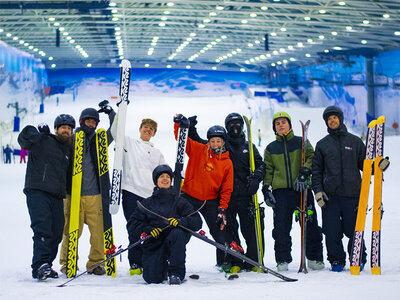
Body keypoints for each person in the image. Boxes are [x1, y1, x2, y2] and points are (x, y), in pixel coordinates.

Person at [188, 113, 266, 273]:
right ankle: (234, 260)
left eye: (238, 124)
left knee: (250, 229)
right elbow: (202, 144)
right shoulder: (222, 145)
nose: (235, 127)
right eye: (231, 124)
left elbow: (261, 165)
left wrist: (256, 179)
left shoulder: (248, 146)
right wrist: (191, 129)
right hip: (226, 197)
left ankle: (253, 261)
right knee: (229, 229)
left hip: (246, 195)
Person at [262, 111, 324, 272]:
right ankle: (282, 260)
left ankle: (314, 257)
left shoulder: (300, 142)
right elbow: (268, 170)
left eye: (283, 122)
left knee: (310, 224)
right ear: (274, 128)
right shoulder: (270, 148)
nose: (281, 125)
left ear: (289, 125)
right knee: (281, 227)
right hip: (281, 192)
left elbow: (312, 156)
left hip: (302, 188)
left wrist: (305, 172)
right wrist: (265, 188)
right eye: (277, 123)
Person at [18, 114, 75, 280]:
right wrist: (34, 132)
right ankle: (40, 265)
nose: (66, 131)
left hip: (57, 195)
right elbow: (24, 140)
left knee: (57, 232)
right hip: (38, 191)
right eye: (63, 127)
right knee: (42, 228)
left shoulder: (69, 150)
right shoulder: (43, 141)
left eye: (69, 128)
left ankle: (46, 265)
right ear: (56, 129)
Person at [59, 106, 115, 276]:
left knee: (98, 233)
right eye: (88, 120)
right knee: (71, 232)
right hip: (72, 194)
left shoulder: (100, 140)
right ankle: (68, 263)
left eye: (94, 121)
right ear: (81, 121)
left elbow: (115, 131)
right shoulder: (72, 139)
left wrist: (112, 113)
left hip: (95, 195)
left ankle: (96, 263)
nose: (91, 124)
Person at [174, 114, 234, 269]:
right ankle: (173, 260)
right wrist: (178, 124)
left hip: (210, 201)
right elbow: (181, 141)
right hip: (189, 197)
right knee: (182, 229)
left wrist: (222, 207)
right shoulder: (199, 149)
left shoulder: (227, 163)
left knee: (219, 231)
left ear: (223, 141)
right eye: (212, 140)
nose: (215, 144)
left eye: (218, 141)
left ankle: (223, 261)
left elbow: (227, 188)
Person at [312, 105, 367, 272]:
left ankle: (358, 257)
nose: (332, 120)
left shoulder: (355, 141)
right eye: (329, 119)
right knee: (332, 231)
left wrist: (378, 166)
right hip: (330, 197)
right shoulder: (322, 145)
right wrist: (318, 191)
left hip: (352, 195)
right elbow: (316, 171)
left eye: (335, 117)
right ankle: (336, 260)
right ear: (326, 123)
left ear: (340, 119)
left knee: (354, 230)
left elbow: (365, 165)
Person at [128, 164, 202, 285]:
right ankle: (162, 267)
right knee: (152, 278)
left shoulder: (180, 201)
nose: (165, 179)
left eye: (168, 176)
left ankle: (176, 274)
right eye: (161, 176)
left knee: (177, 233)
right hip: (154, 241)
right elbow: (132, 224)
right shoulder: (147, 203)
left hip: (175, 241)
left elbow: (197, 221)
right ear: (156, 181)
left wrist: (180, 222)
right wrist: (148, 229)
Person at [110, 115, 165, 275]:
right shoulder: (129, 143)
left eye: (151, 129)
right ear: (140, 129)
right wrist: (114, 115)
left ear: (154, 133)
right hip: (131, 192)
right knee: (134, 228)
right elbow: (115, 132)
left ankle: (148, 261)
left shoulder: (157, 152)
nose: (148, 130)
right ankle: (135, 263)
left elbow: (165, 173)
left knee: (150, 230)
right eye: (145, 127)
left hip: (149, 195)